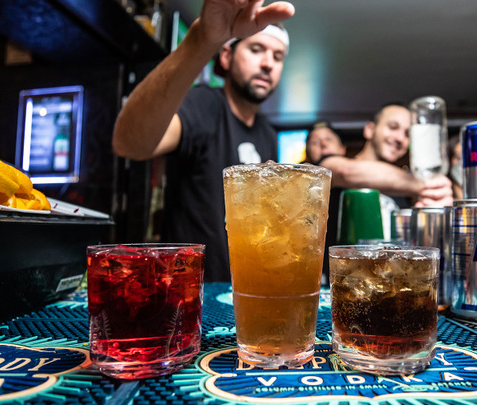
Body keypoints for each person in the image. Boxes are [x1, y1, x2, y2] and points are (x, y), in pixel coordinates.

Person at [112, 0, 296, 282]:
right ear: (226, 57)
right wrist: (202, 40)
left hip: (244, 295)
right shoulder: (206, 105)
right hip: (192, 292)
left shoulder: (268, 134)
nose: (268, 63)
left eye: (278, 56)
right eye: (256, 49)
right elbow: (130, 143)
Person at [316, 103, 454, 270]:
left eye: (407, 134)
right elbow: (346, 171)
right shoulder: (332, 163)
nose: (400, 138)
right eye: (393, 127)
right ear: (369, 130)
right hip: (337, 284)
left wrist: (437, 205)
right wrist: (425, 185)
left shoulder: (405, 193)